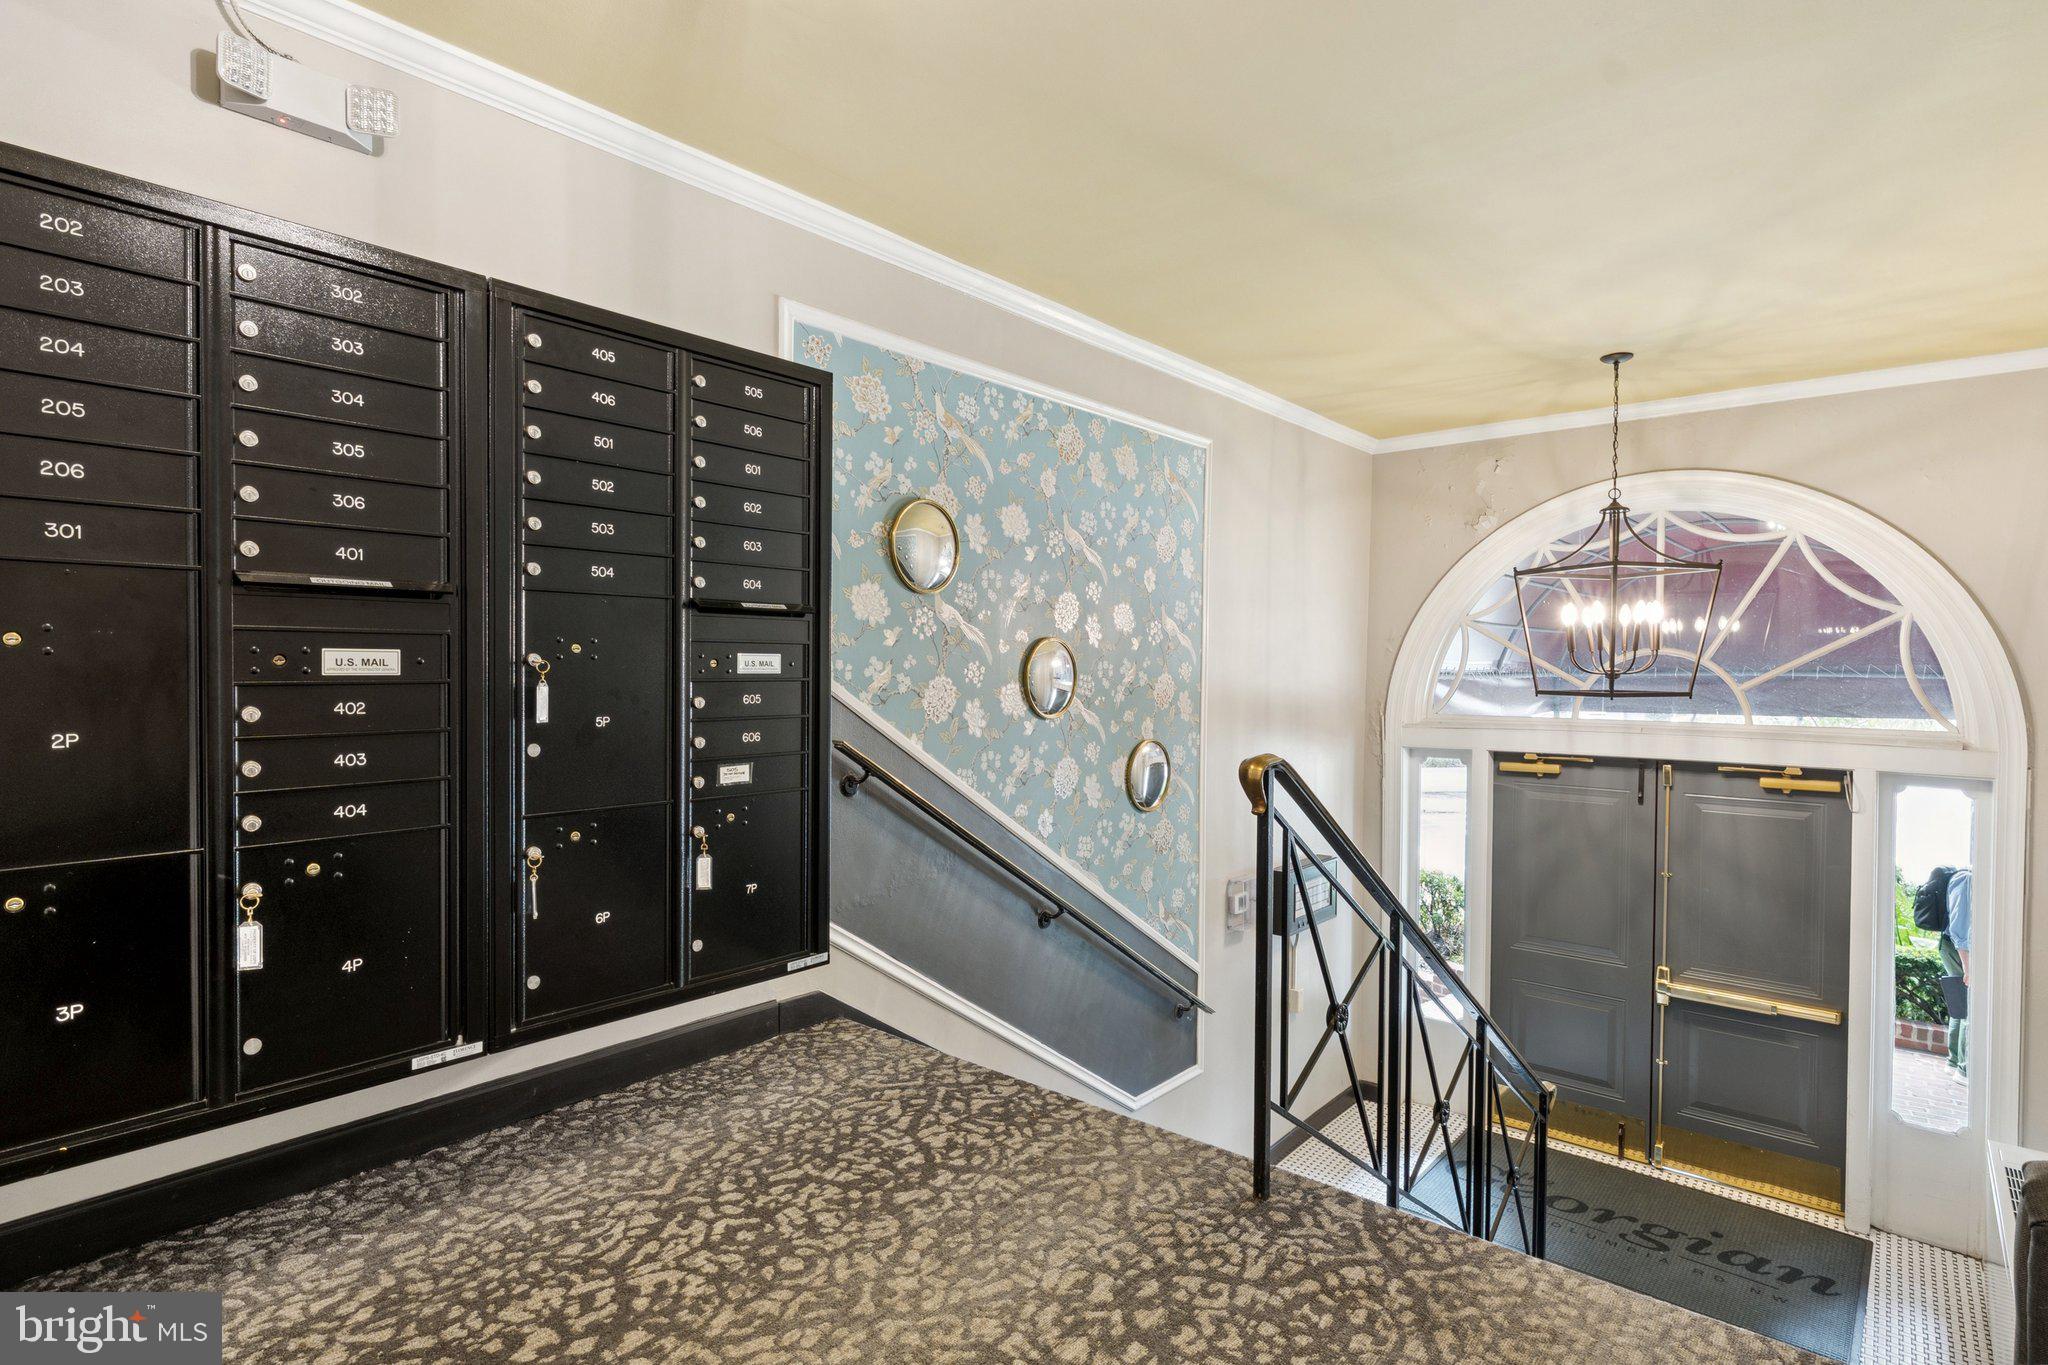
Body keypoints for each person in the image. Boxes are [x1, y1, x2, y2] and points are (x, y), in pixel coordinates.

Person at [1941, 867, 1972, 1076]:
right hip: (1958, 947)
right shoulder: (1967, 879)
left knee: (1961, 1002)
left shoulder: (1965, 878)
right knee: (1969, 1004)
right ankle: (1964, 1068)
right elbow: (1959, 928)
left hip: (1954, 945)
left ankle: (1954, 1060)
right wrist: (1968, 967)